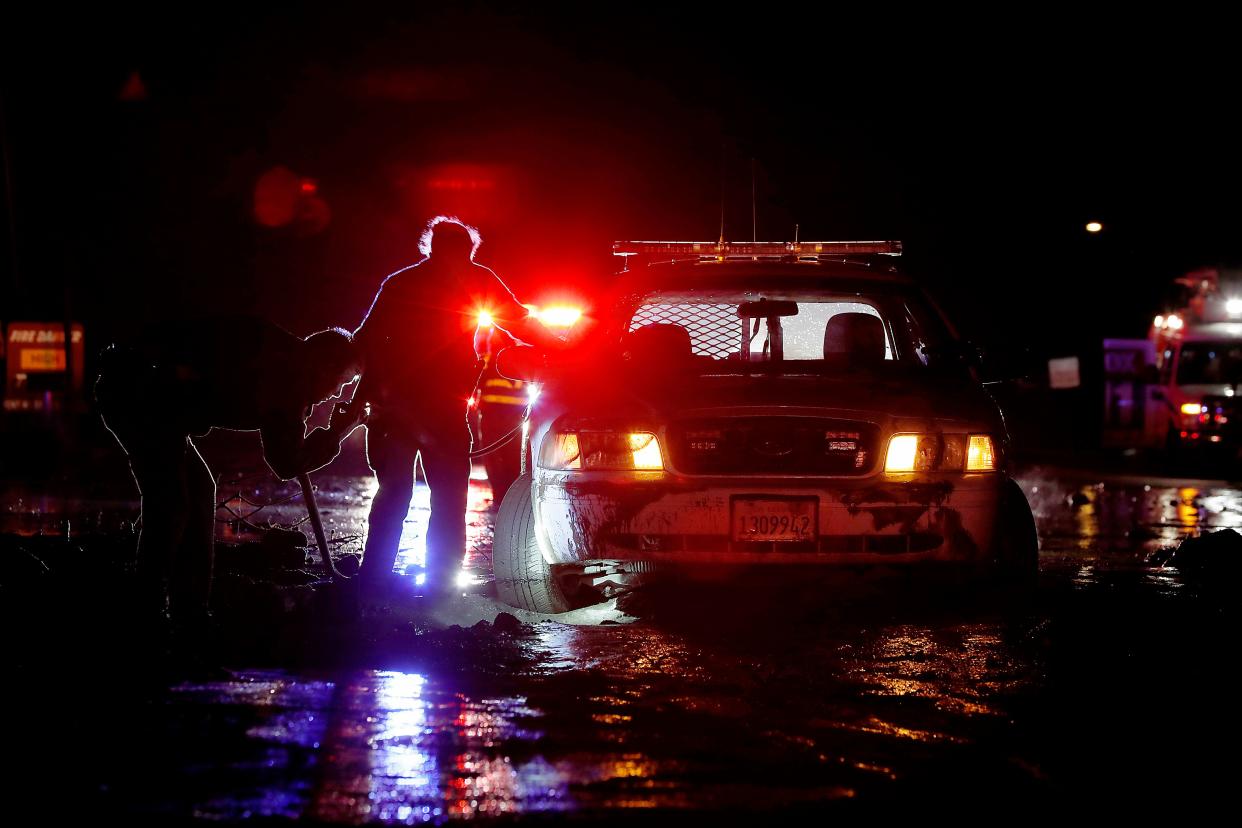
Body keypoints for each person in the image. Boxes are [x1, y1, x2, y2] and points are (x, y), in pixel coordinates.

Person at [95, 315, 364, 629]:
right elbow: (286, 463)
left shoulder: (291, 365)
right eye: (340, 383)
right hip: (136, 395)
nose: (335, 394)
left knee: (197, 493)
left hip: (161, 406)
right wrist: (337, 433)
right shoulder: (287, 377)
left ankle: (188, 611)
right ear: (325, 366)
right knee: (170, 504)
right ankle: (148, 615)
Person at [352, 216, 558, 599]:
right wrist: (564, 348)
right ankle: (438, 584)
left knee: (402, 495)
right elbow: (521, 323)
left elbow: (364, 342)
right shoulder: (472, 278)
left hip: (410, 411)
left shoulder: (404, 283)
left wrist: (355, 401)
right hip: (426, 411)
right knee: (441, 497)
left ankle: (378, 580)